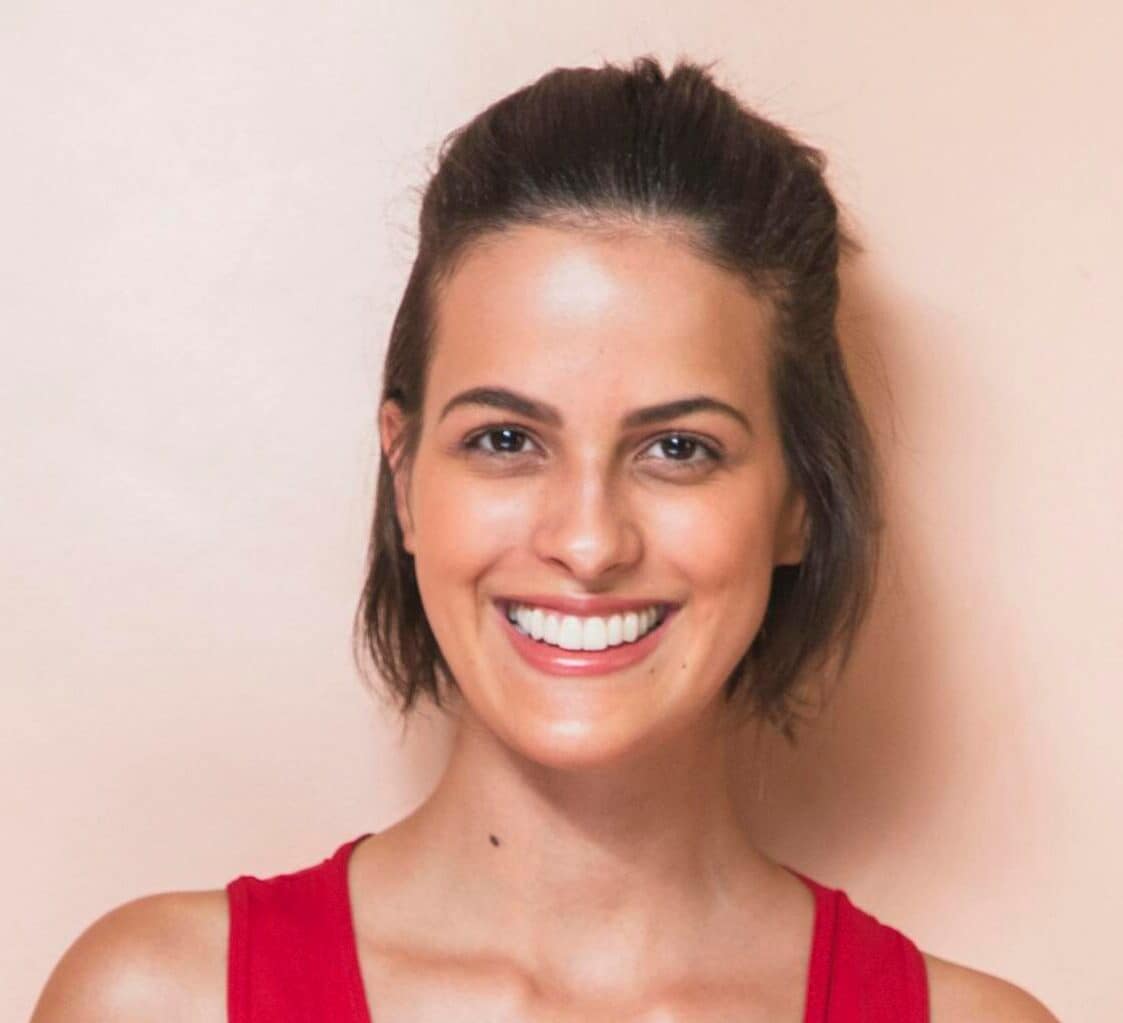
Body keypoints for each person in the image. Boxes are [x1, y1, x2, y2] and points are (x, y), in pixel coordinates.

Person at [32, 55, 1058, 1022]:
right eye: (507, 439)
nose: (586, 539)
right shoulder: (156, 1001)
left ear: (799, 496)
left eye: (679, 449)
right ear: (404, 475)